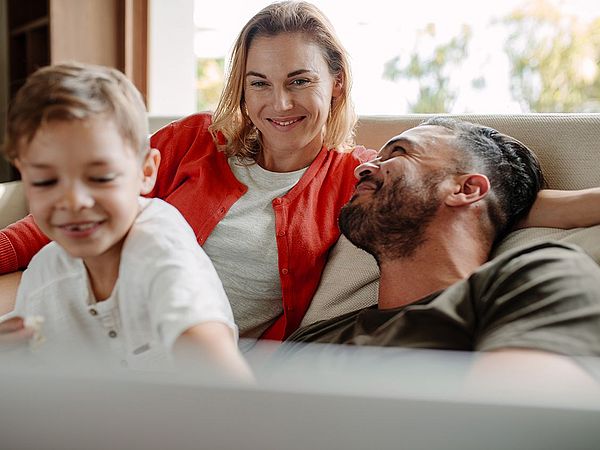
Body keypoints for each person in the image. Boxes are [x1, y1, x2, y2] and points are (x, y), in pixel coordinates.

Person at [1, 1, 600, 343]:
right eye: (258, 84)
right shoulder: (191, 140)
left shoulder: (359, 177)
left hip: (192, 353)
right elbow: (47, 226)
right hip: (83, 315)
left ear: (335, 83)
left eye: (299, 81)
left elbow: (484, 198)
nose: (277, 105)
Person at [283, 118, 600, 382]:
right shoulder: (311, 340)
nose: (361, 170)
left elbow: (521, 425)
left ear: (466, 189)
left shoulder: (534, 279)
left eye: (398, 153)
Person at [0, 63, 252, 379]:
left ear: (146, 172)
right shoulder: (45, 273)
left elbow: (224, 376)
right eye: (45, 182)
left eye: (100, 177)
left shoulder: (160, 248)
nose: (73, 201)